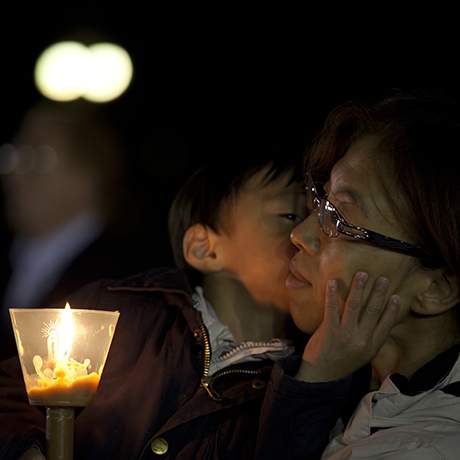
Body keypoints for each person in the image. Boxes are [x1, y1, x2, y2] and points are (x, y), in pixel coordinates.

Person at [0, 136, 310, 459]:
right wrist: (28, 449)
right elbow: (10, 391)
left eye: (324, 224)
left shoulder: (299, 387)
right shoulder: (122, 317)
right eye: (290, 216)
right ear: (206, 249)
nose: (308, 237)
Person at [257, 92, 460, 459]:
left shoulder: (426, 447)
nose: (300, 235)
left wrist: (310, 387)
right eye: (320, 203)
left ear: (437, 287)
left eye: (341, 221)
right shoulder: (366, 389)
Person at [0, 99, 157, 361]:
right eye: (13, 155)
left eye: (36, 157)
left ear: (88, 176)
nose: (13, 173)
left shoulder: (121, 284)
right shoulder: (13, 261)